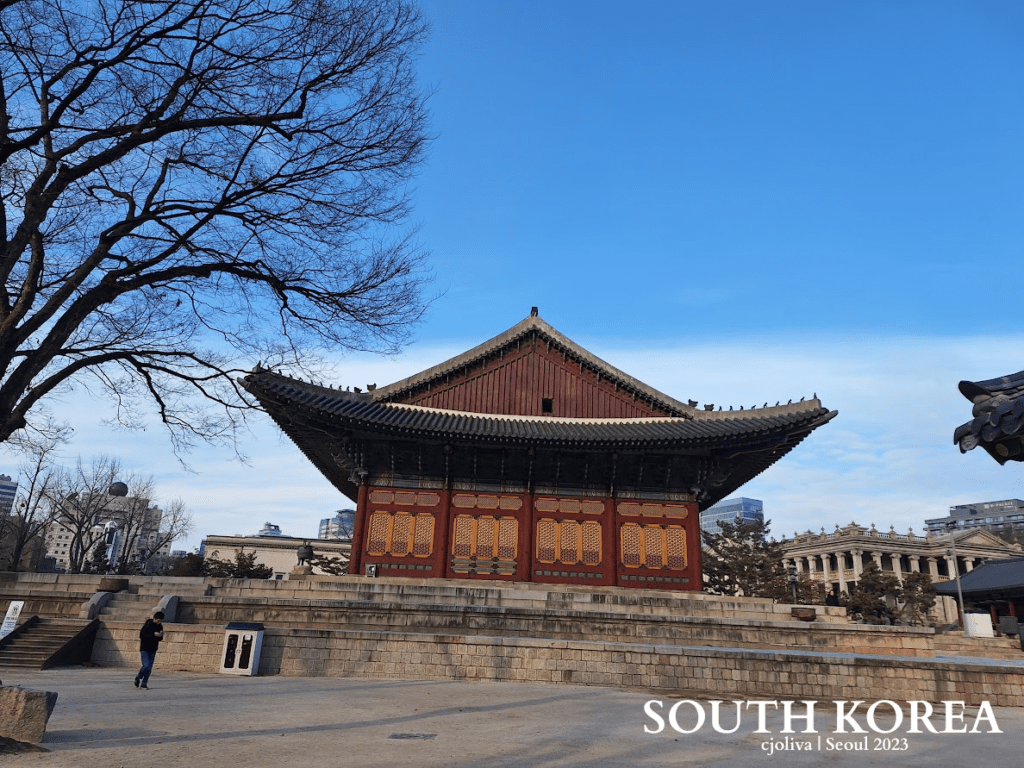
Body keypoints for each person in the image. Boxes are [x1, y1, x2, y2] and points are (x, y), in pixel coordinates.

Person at [135, 611, 165, 689]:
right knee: (146, 665)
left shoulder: (160, 626)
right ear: (155, 619)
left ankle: (144, 683)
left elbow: (161, 638)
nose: (159, 622)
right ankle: (139, 676)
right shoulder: (147, 625)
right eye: (158, 620)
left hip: (153, 649)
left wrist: (159, 636)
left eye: (161, 621)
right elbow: (142, 636)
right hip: (145, 648)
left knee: (149, 668)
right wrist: (153, 635)